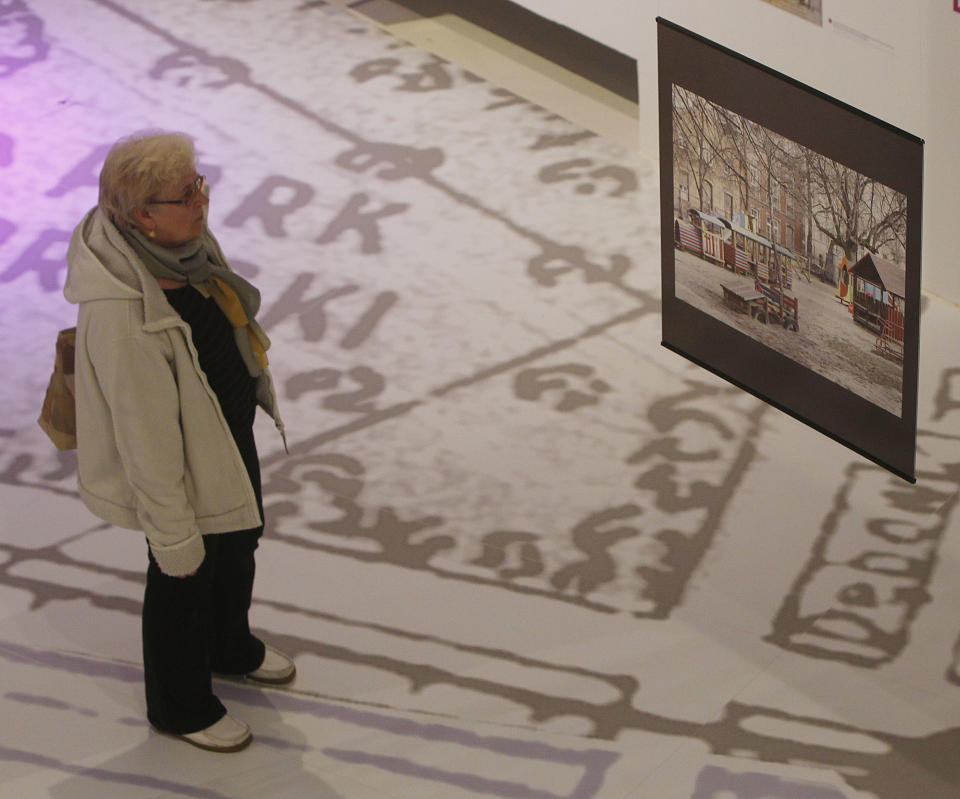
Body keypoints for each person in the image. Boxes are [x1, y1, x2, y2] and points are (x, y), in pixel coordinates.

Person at [64, 130, 293, 753]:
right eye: (184, 195)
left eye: (198, 186)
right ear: (140, 215)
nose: (201, 202)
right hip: (179, 458)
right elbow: (145, 440)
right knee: (183, 573)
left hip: (223, 431)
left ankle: (228, 645)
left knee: (240, 536)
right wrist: (170, 532)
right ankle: (181, 705)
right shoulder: (122, 314)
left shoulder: (181, 245)